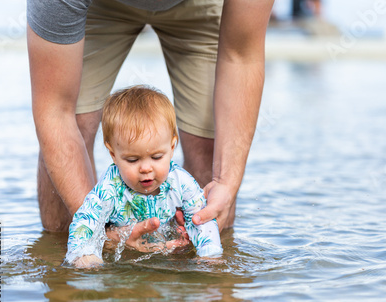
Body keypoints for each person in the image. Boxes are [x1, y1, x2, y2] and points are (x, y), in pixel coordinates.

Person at [27, 0, 274, 247]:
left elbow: (241, 58)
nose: (145, 168)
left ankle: (196, 275)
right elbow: (55, 110)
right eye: (134, 161)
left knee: (209, 153)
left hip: (198, 5)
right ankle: (67, 273)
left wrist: (225, 182)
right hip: (98, 5)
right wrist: (97, 233)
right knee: (75, 133)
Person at [66, 86, 223, 268]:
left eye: (157, 157)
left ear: (172, 148)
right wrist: (85, 256)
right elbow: (85, 220)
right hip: (125, 255)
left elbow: (201, 220)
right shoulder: (111, 186)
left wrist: (209, 255)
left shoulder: (180, 182)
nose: (146, 168)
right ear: (113, 154)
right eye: (132, 160)